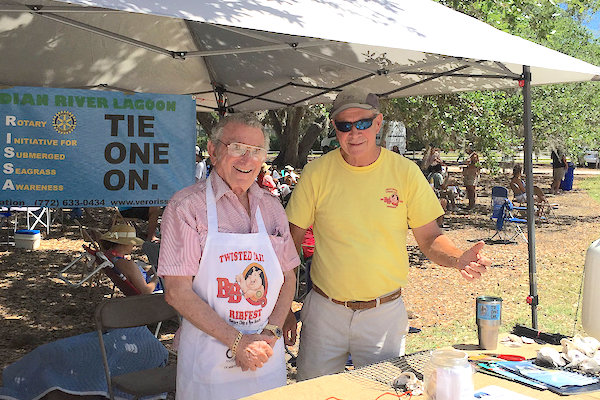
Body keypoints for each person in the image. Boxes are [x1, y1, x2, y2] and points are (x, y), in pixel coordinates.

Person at [283, 87, 490, 381]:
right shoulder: (316, 173)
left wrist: (458, 258)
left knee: (381, 392)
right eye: (345, 125)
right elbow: (288, 243)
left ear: (378, 123)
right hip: (324, 311)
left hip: (383, 314)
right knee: (313, 392)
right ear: (335, 129)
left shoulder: (405, 173)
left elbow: (429, 236)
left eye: (363, 123)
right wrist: (284, 307)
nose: (354, 133)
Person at [157, 114, 299, 399]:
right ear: (213, 150)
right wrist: (238, 342)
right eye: (237, 147)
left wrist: (270, 334)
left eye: (256, 151)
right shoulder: (186, 207)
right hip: (208, 363)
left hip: (265, 355)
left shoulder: (272, 208)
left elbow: (288, 278)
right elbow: (176, 292)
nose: (247, 159)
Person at [99, 223, 161, 294]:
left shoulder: (111, 257)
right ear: (124, 244)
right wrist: (157, 276)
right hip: (153, 296)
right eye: (132, 242)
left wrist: (151, 272)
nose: (133, 245)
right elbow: (146, 291)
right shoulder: (127, 264)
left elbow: (135, 278)